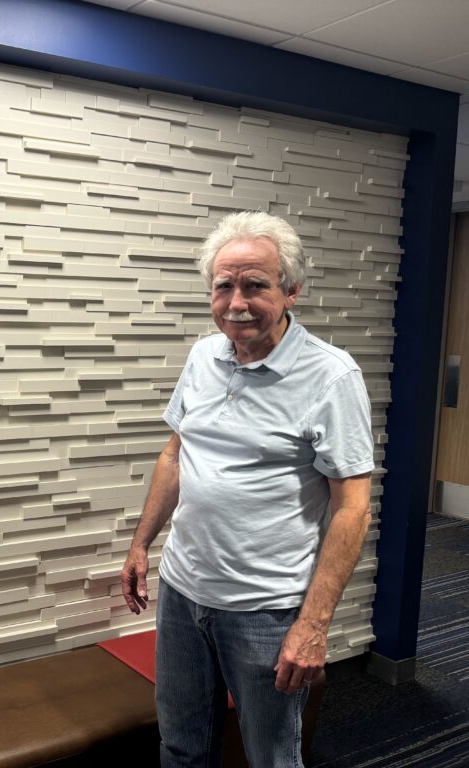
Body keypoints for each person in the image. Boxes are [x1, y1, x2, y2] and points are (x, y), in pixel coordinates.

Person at [121, 211, 373, 767]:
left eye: (256, 285)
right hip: (184, 594)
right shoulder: (203, 357)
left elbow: (352, 509)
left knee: (272, 758)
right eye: (224, 285)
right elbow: (176, 452)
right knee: (182, 746)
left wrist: (313, 625)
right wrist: (142, 544)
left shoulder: (331, 376)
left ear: (292, 291)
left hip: (266, 609)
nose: (237, 302)